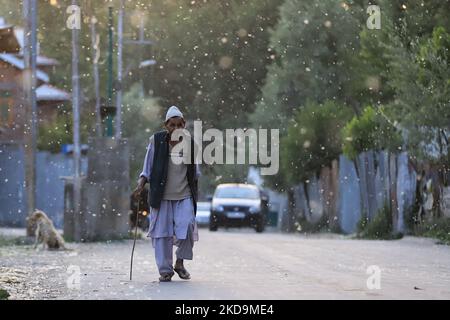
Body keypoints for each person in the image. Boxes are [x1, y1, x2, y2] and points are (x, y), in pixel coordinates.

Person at [133, 106, 200, 282]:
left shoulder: (191, 144)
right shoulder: (156, 141)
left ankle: (180, 262)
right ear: (166, 125)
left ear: (184, 125)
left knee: (187, 227)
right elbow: (147, 167)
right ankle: (165, 271)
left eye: (179, 125)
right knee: (162, 234)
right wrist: (141, 184)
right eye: (172, 125)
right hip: (161, 195)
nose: (176, 128)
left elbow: (195, 173)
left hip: (184, 194)